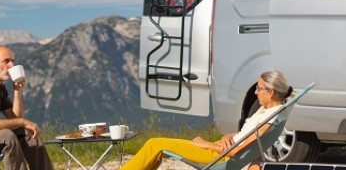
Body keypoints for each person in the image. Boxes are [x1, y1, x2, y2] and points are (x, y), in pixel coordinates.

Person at [120, 70, 294, 170]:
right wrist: (228, 136)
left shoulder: (268, 118)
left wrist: (207, 145)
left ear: (270, 92)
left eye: (258, 88)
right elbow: (246, 136)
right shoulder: (272, 112)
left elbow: (236, 152)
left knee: (155, 144)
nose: (255, 92)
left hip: (220, 154)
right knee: (157, 148)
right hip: (223, 147)